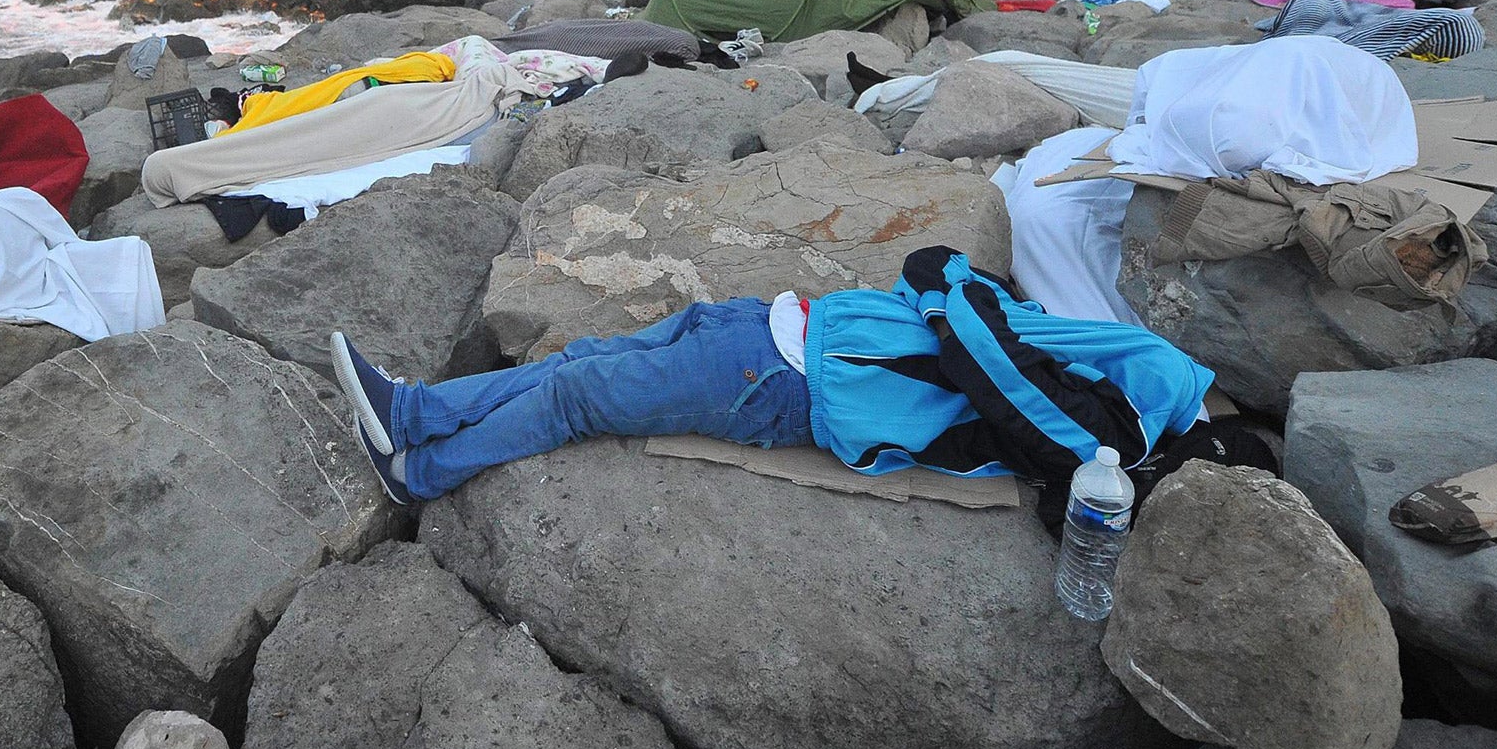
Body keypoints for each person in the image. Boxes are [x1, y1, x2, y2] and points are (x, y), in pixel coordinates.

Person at [330, 245, 1258, 509]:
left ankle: (419, 472)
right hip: (784, 329)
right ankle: (412, 411)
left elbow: (1015, 392)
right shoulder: (1156, 396)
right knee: (581, 362)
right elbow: (1009, 341)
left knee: (579, 397)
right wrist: (954, 288)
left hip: (789, 382)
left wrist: (947, 294)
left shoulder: (1131, 426)